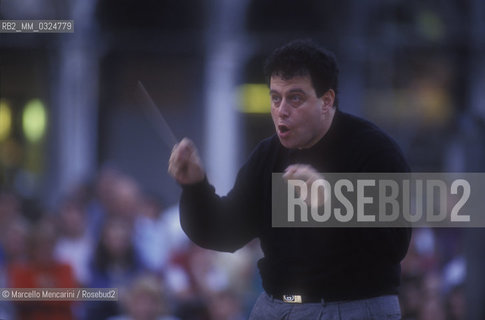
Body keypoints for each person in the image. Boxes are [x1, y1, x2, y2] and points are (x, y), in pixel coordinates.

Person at [168, 39, 411, 319]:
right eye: (275, 97)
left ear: (327, 100)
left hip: (352, 306)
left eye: (295, 98)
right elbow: (225, 232)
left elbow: (394, 246)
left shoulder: (375, 151)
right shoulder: (268, 155)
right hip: (277, 304)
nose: (281, 110)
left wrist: (332, 202)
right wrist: (194, 187)